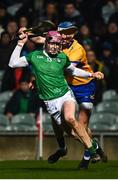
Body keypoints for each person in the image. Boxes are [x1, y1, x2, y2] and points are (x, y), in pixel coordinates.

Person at [9, 28, 104, 163]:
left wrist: (91, 74)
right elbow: (13, 63)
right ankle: (95, 146)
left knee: (70, 118)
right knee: (72, 134)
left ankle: (93, 153)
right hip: (50, 101)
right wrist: (20, 44)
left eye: (57, 44)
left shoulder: (62, 57)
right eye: (52, 43)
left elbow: (73, 71)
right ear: (46, 43)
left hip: (65, 94)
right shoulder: (35, 56)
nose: (54, 47)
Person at [46, 22, 107, 169]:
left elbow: (68, 70)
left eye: (72, 32)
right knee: (56, 120)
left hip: (85, 86)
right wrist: (25, 35)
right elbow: (40, 40)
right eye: (66, 32)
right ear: (59, 33)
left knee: (81, 126)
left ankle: (86, 160)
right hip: (67, 86)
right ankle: (64, 148)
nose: (69, 35)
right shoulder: (55, 43)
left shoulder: (77, 49)